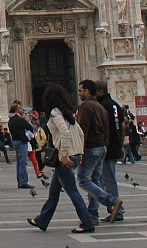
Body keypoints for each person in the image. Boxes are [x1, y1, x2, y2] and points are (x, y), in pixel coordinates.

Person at [28, 83, 95, 234]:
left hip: (65, 157)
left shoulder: (54, 114)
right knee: (53, 192)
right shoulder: (67, 114)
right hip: (74, 154)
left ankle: (87, 223)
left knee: (72, 191)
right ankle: (42, 220)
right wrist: (80, 152)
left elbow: (64, 133)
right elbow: (80, 133)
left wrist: (64, 155)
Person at [76, 79, 122, 226]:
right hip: (102, 147)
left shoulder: (86, 107)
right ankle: (93, 215)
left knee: (83, 180)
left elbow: (83, 130)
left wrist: (79, 151)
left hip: (90, 147)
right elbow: (107, 130)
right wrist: (106, 146)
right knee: (95, 181)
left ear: (87, 92)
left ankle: (112, 201)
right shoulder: (101, 107)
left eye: (81, 90)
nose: (79, 93)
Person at [93, 79, 125, 222]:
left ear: (100, 92)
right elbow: (123, 126)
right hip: (115, 145)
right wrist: (121, 143)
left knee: (107, 179)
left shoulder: (102, 105)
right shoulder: (115, 105)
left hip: (106, 147)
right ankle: (113, 208)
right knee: (107, 178)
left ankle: (115, 209)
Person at [8, 103, 33, 188]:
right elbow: (30, 127)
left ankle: (20, 181)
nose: (21, 109)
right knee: (23, 162)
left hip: (14, 141)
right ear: (16, 110)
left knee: (19, 163)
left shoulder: (10, 120)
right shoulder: (19, 119)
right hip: (21, 141)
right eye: (19, 108)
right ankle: (23, 182)